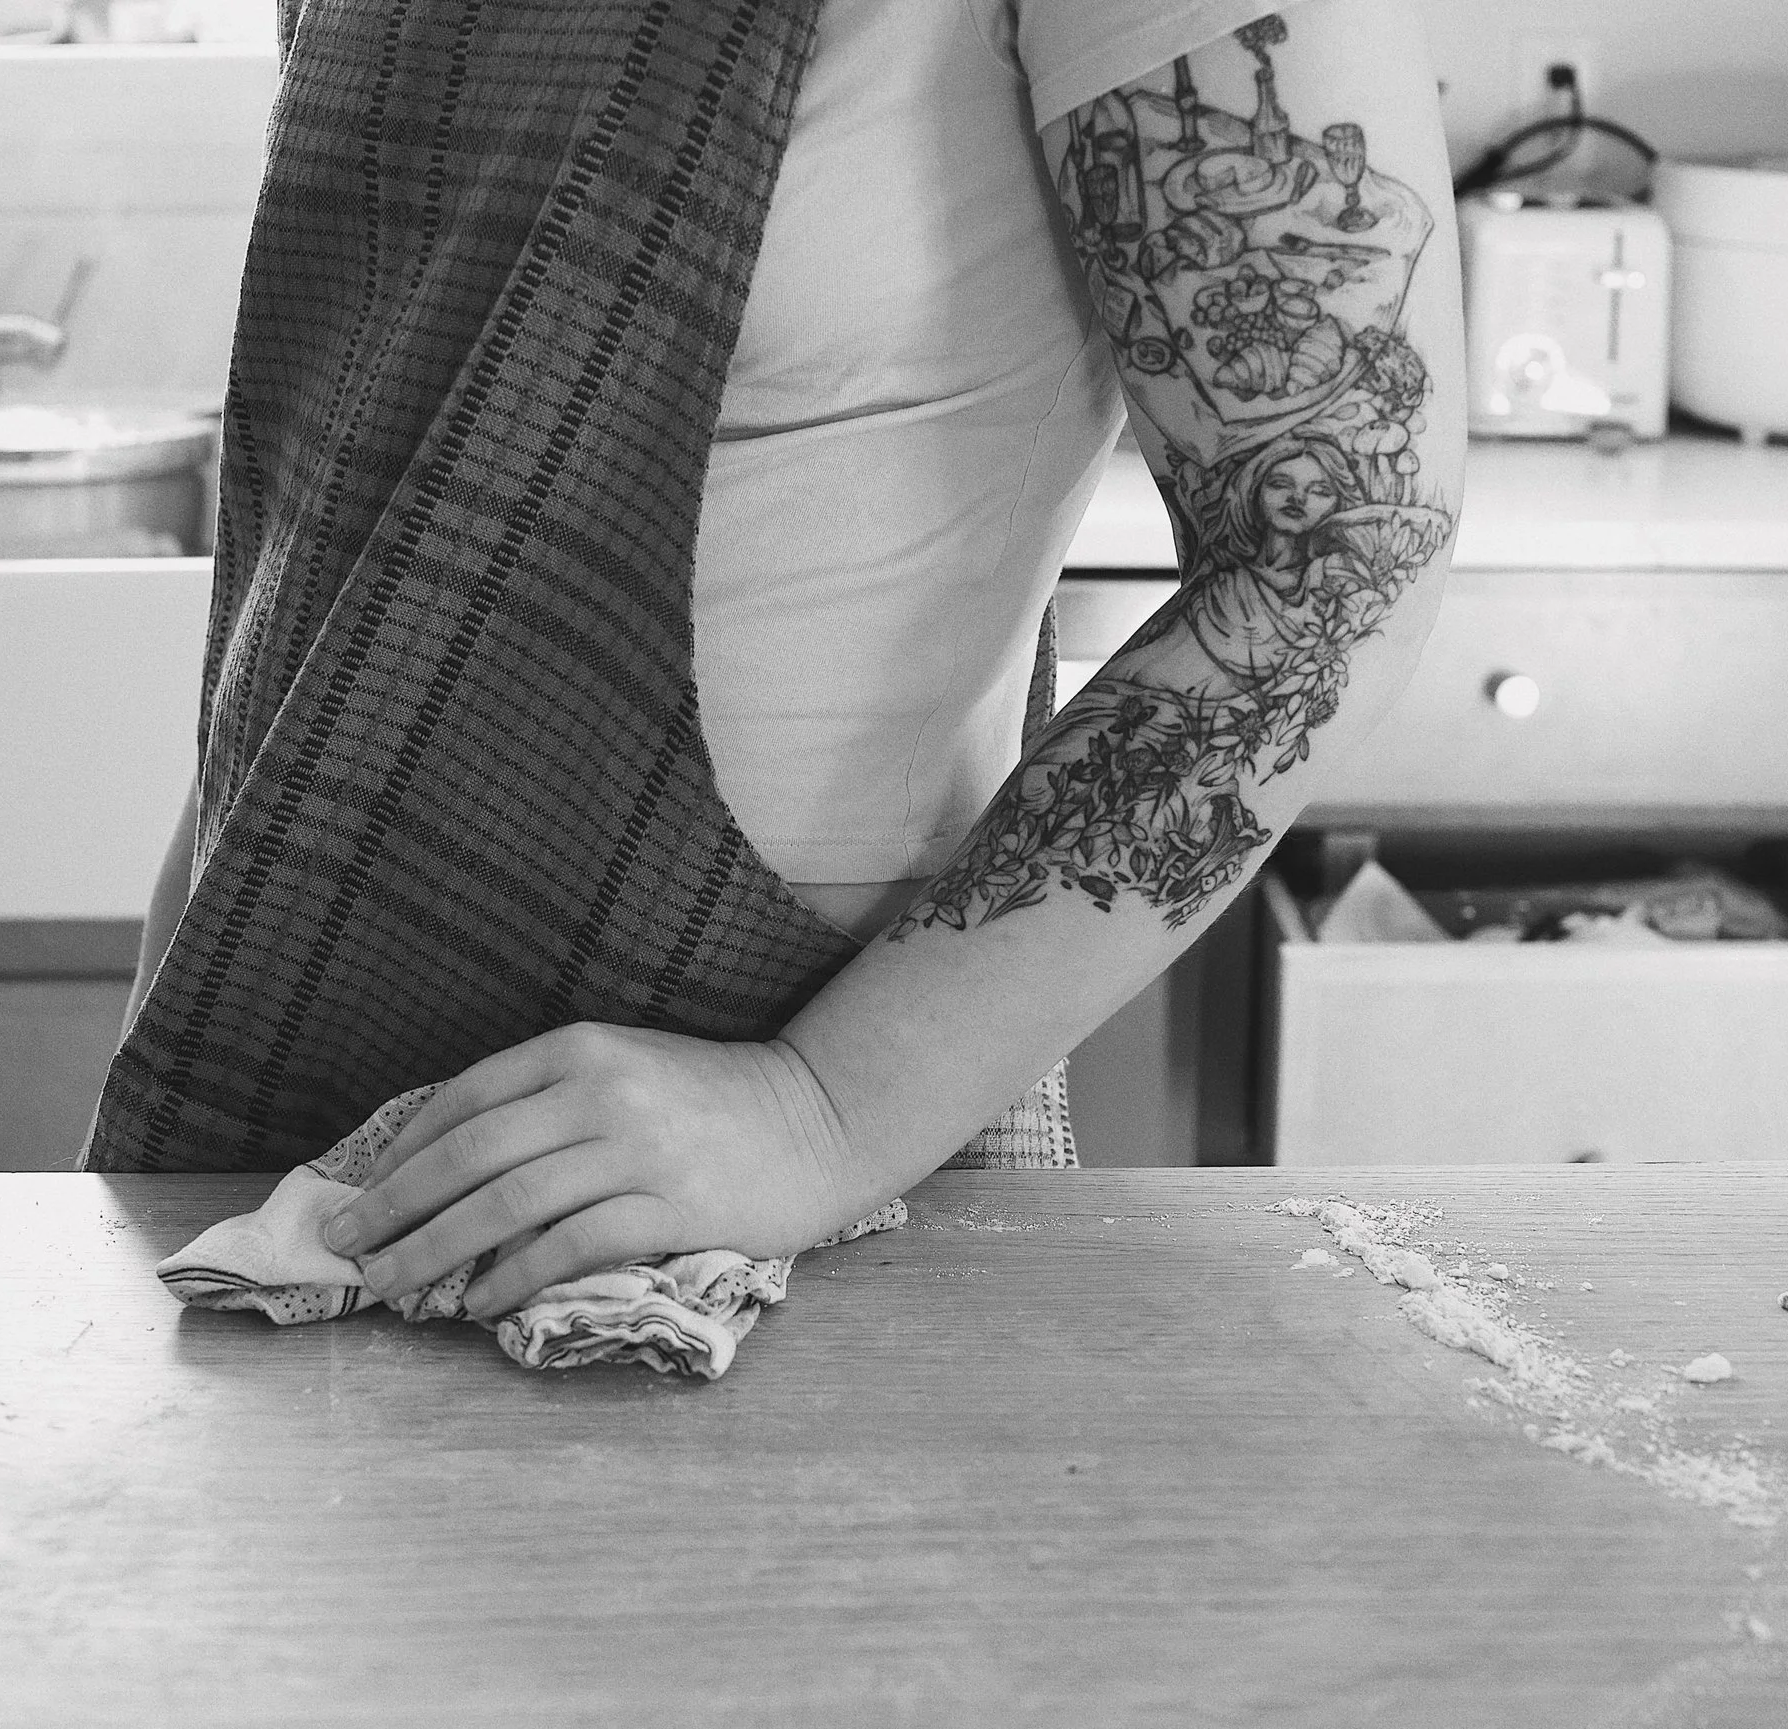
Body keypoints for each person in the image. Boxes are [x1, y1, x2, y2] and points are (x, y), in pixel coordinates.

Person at [94, 0, 1463, 1322]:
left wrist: (823, 1113)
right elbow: (356, 494)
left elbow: (1339, 548)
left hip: (758, 1140)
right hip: (274, 1069)